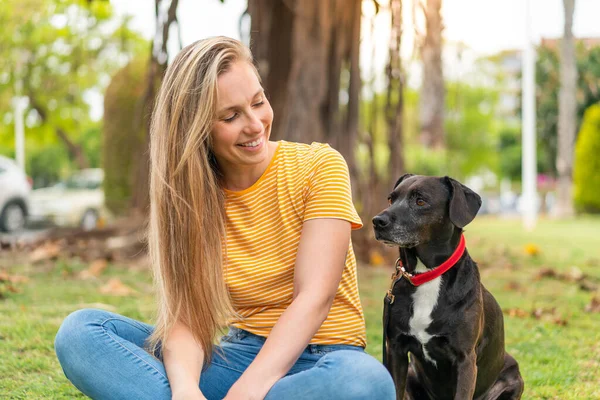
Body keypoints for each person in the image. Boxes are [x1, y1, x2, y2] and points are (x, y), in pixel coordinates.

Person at [54, 36, 395, 400]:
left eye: (258, 102)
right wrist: (185, 389)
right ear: (196, 129)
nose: (255, 124)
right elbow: (186, 320)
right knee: (80, 333)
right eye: (231, 116)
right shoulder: (191, 200)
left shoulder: (319, 167)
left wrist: (247, 392)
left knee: (366, 382)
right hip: (237, 359)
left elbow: (314, 297)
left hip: (323, 363)